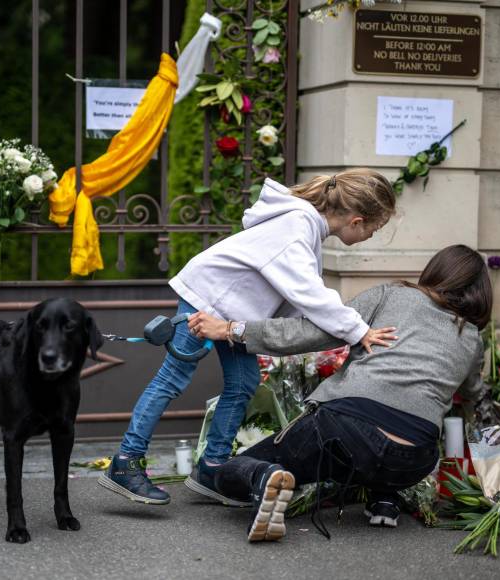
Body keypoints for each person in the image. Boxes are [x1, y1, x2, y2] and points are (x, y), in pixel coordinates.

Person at [99, 170, 398, 505]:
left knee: (243, 384)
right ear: (357, 221)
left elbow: (297, 294)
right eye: (375, 228)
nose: (373, 235)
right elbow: (310, 293)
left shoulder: (306, 226)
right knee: (173, 377)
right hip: (207, 297)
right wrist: (360, 331)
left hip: (231, 310)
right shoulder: (297, 226)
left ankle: (212, 468)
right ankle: (126, 461)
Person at [187, 244, 493, 542]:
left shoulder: (392, 295)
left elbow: (314, 331)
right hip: (414, 459)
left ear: (435, 271)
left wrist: (232, 330)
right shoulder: (471, 339)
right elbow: (473, 396)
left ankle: (263, 478)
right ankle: (385, 499)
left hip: (346, 431)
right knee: (384, 437)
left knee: (227, 473)